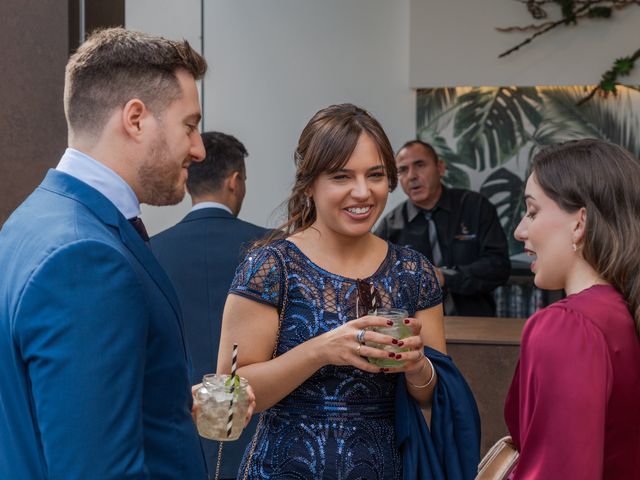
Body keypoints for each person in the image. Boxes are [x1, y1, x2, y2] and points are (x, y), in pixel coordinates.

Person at [0, 28, 242, 479]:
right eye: (189, 125)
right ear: (135, 119)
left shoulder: (30, 220)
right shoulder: (85, 258)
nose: (199, 148)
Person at [217, 104, 480, 479]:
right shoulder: (272, 267)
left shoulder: (412, 272)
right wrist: (321, 350)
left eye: (375, 175)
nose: (362, 192)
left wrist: (417, 365)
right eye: (342, 177)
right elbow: (233, 395)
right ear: (309, 184)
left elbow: (429, 397)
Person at [504, 139, 640, 478]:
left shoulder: (568, 326)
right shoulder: (621, 314)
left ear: (579, 223)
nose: (521, 230)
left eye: (532, 211)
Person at [151, 131, 268, 479]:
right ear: (235, 181)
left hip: (180, 423)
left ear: (188, 184)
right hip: (258, 424)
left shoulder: (151, 251)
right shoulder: (274, 249)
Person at [375, 140, 510, 316]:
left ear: (440, 168)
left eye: (420, 165)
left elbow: (499, 266)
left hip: (475, 322)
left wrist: (445, 276)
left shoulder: (474, 207)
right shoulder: (390, 225)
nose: (412, 176)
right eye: (403, 170)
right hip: (416, 328)